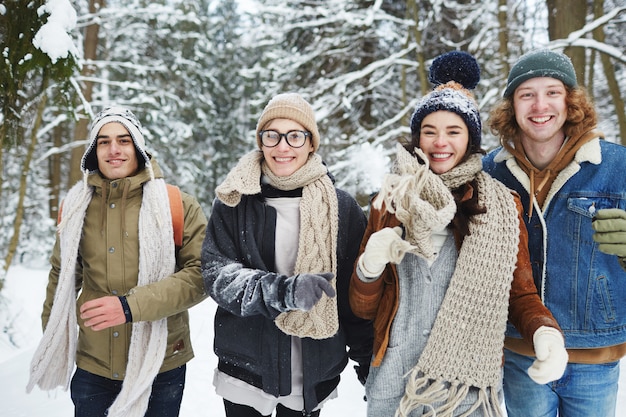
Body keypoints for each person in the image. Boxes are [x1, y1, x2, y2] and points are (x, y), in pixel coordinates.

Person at [349, 51, 568, 417]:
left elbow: (520, 294)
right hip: (393, 382)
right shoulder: (388, 201)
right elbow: (362, 308)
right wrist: (368, 268)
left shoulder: (501, 205)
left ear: (471, 139)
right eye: (429, 131)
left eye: (454, 131)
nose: (440, 143)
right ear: (417, 137)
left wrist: (544, 332)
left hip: (466, 389)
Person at [27, 106, 208, 417]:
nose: (114, 150)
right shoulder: (75, 207)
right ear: (92, 151)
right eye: (103, 141)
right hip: (93, 367)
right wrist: (55, 337)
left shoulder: (177, 205)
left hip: (161, 365)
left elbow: (201, 276)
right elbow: (63, 277)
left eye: (124, 140)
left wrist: (129, 307)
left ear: (137, 147)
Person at [201, 92, 373, 417]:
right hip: (246, 371)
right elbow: (217, 275)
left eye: (295, 136)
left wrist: (368, 362)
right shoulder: (234, 201)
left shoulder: (341, 208)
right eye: (272, 135)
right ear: (261, 141)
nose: (283, 147)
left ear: (311, 143)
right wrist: (284, 292)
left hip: (311, 373)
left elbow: (354, 297)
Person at [484, 49, 626, 417]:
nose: (539, 105)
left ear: (571, 102)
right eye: (526, 94)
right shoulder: (491, 173)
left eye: (552, 92)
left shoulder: (616, 166)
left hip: (593, 353)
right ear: (512, 106)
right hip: (521, 350)